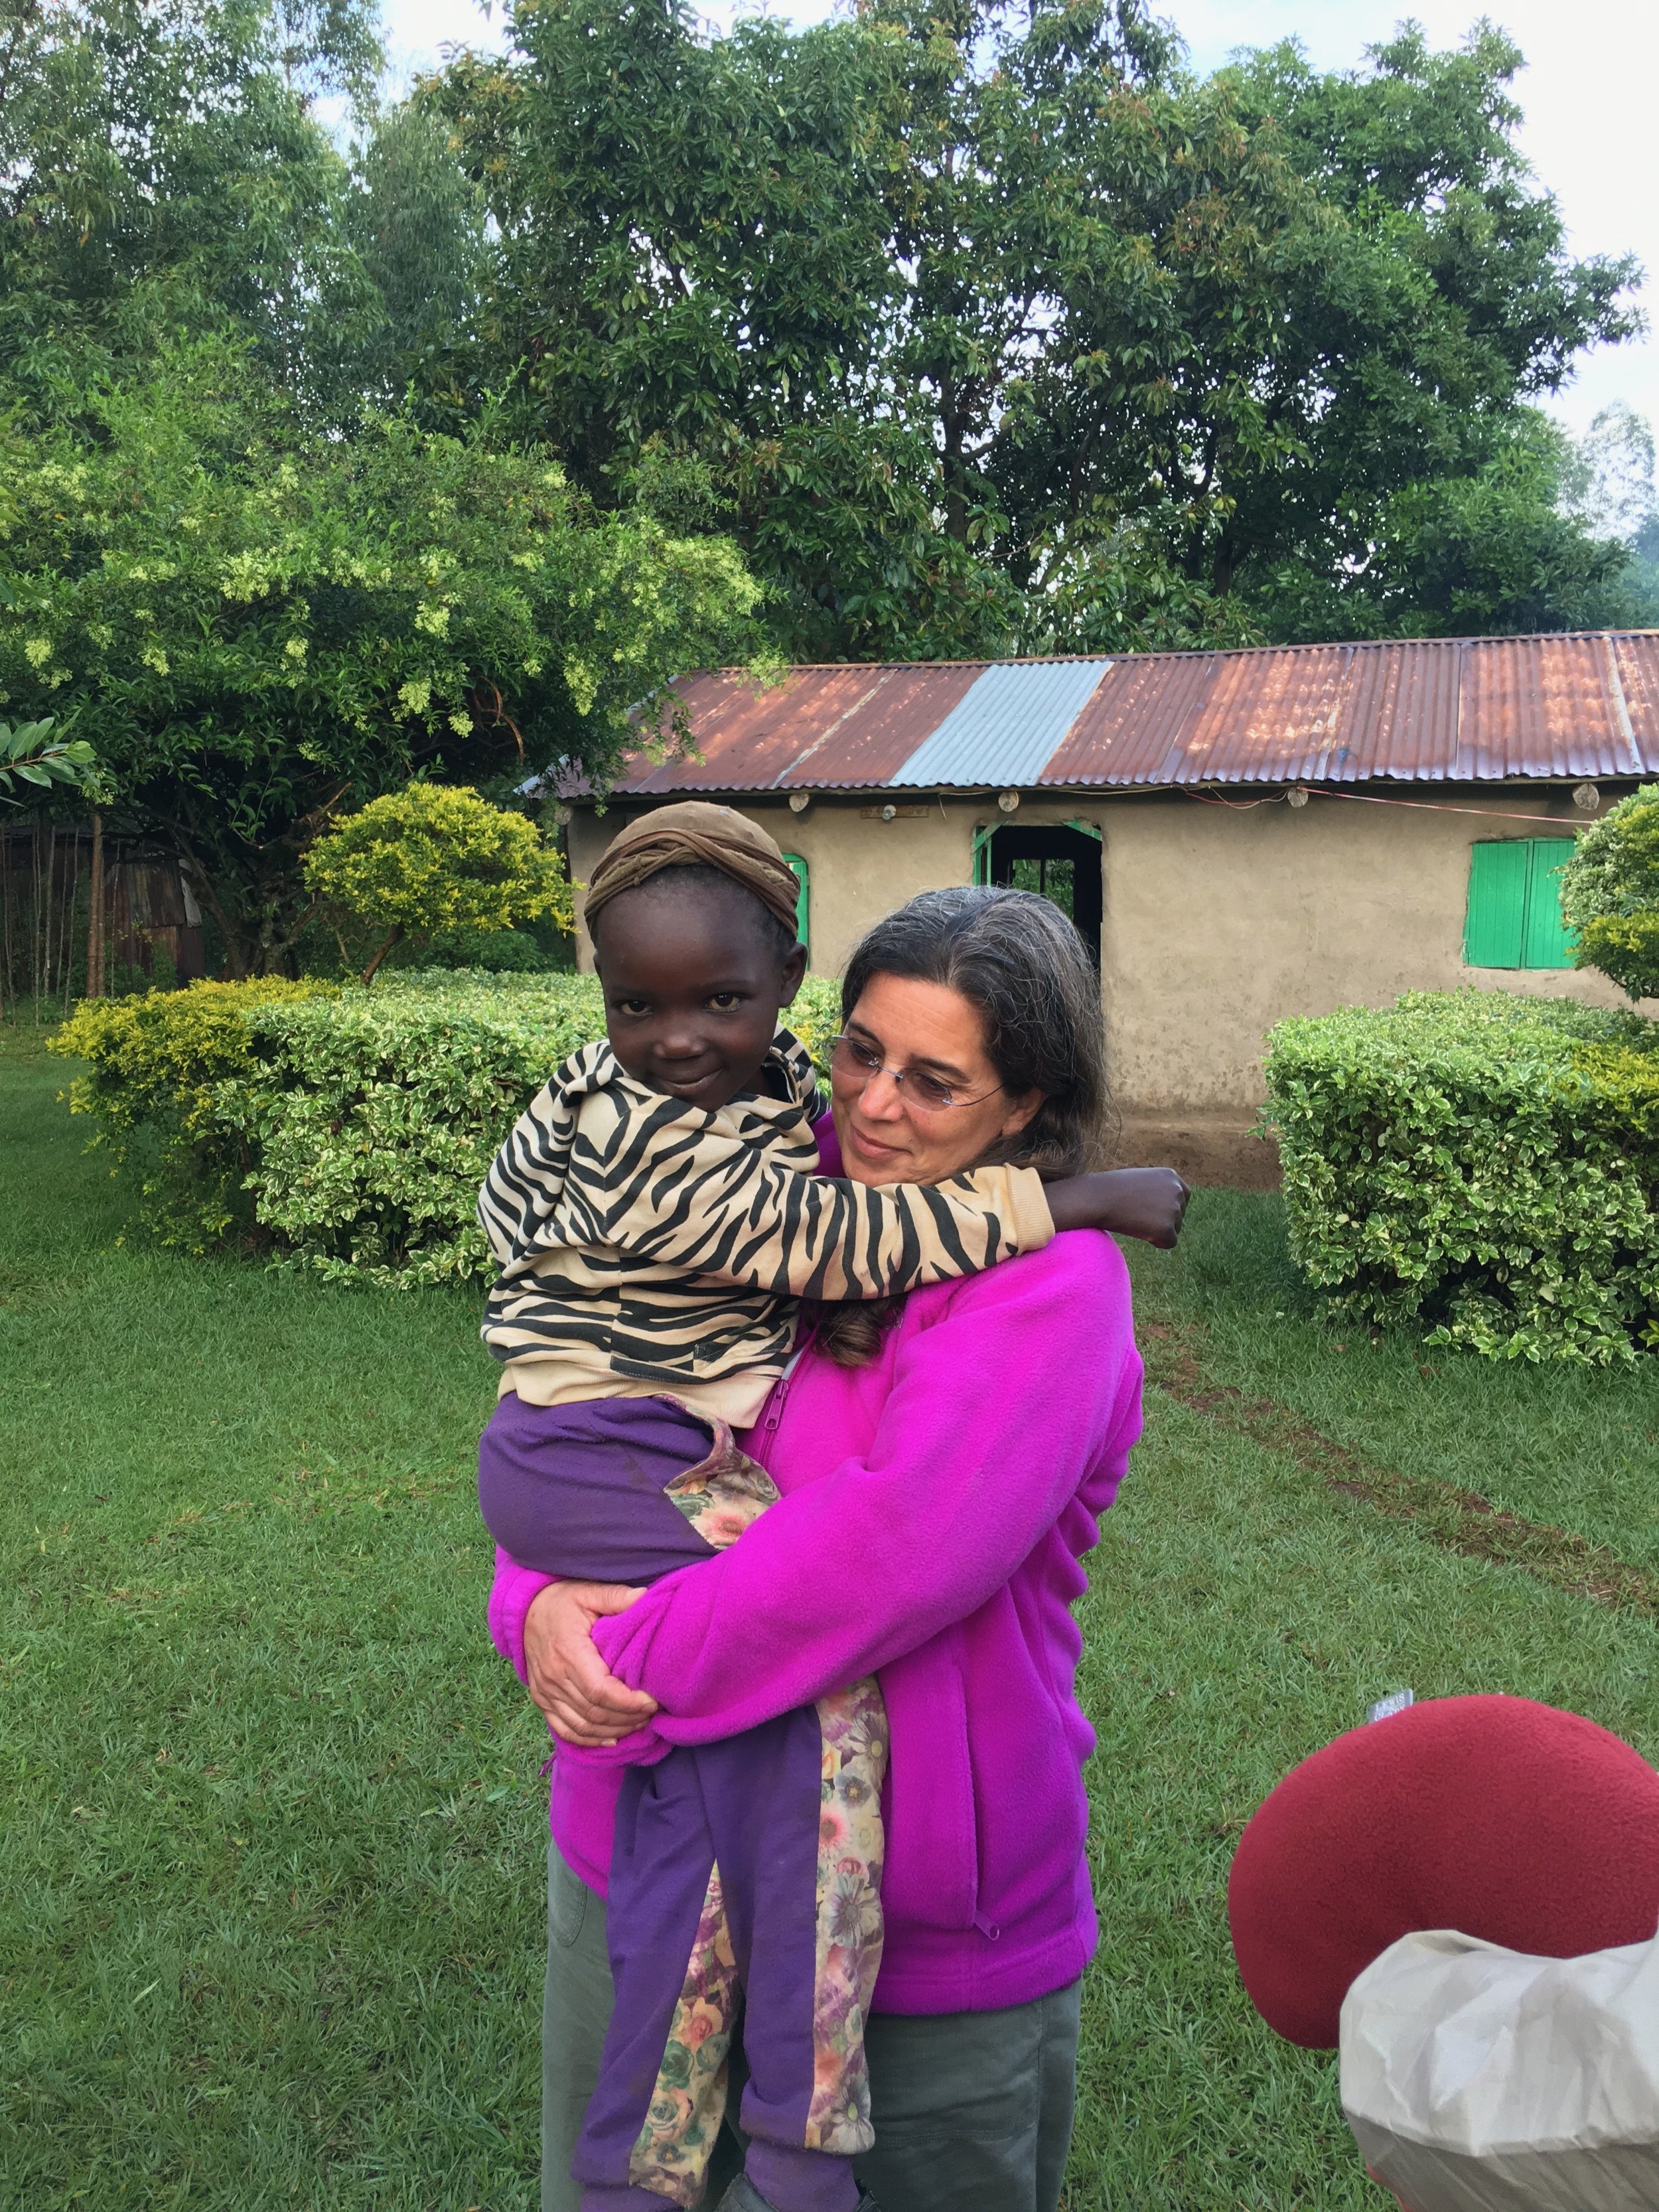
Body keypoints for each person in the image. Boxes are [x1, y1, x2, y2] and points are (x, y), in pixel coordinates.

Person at [478, 810, 1185, 2212]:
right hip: (633, 1846)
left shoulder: (1046, 1292)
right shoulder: (740, 1169)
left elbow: (885, 1553)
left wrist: (617, 1654)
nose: (869, 1103)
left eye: (936, 1080)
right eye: (862, 1049)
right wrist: (536, 1606)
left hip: (920, 1924)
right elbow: (589, 1427)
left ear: (1025, 1104)